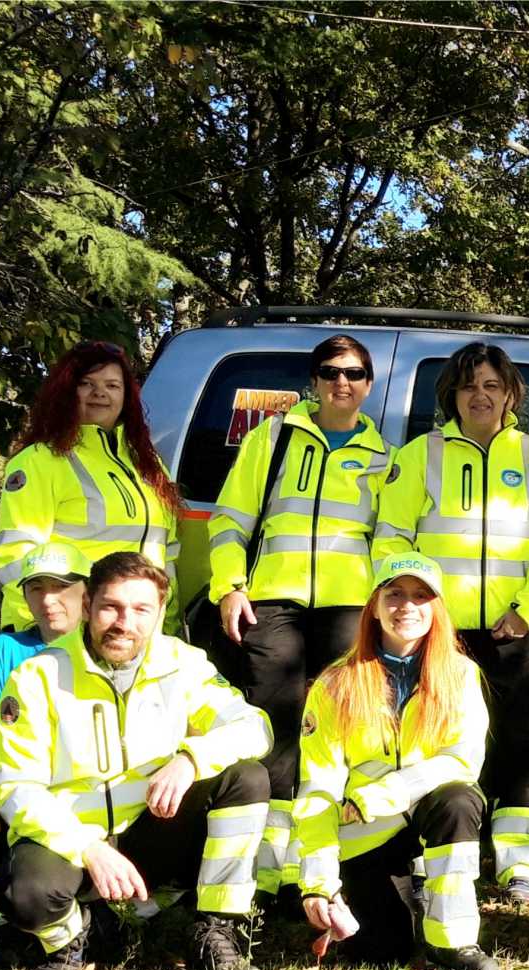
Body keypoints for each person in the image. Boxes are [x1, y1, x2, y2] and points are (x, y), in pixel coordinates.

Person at [0, 552, 272, 970]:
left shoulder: (183, 662)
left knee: (246, 778)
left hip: (150, 829)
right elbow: (14, 785)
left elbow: (255, 727)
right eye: (111, 607)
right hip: (73, 843)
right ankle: (73, 939)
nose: (125, 622)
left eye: (141, 610)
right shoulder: (36, 676)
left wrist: (191, 760)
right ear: (88, 607)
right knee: (26, 895)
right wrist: (87, 846)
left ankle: (216, 933)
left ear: (159, 613)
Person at [374, 343, 529, 904]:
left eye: (491, 385)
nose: (479, 396)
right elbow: (391, 538)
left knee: (522, 749)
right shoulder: (420, 455)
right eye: (468, 386)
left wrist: (527, 609)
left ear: (510, 394)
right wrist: (426, 611)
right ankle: (429, 860)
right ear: (451, 396)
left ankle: (521, 869)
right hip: (440, 637)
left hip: (516, 632)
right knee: (427, 745)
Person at [208, 334, 390, 902]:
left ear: (368, 383)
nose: (343, 382)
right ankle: (269, 864)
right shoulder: (274, 438)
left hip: (349, 606)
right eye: (332, 372)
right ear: (313, 381)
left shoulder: (386, 458)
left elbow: (389, 540)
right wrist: (230, 586)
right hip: (274, 599)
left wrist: (383, 608)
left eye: (355, 373)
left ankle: (325, 853)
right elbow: (231, 519)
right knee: (274, 721)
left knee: (338, 725)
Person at [294, 553, 500, 970]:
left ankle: (454, 941)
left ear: (437, 609)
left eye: (421, 596)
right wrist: (318, 882)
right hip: (364, 831)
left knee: (459, 800)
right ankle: (408, 895)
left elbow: (463, 759)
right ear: (373, 605)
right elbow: (318, 787)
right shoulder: (335, 682)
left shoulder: (461, 674)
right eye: (395, 594)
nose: (407, 606)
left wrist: (387, 793)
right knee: (380, 954)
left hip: (424, 810)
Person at [0, 541, 89, 962]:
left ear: (86, 591)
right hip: (20, 793)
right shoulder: (4, 651)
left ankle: (110, 916)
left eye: (61, 587)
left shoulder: (107, 646)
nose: (48, 600)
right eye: (35, 588)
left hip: (92, 798)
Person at [0, 341, 180, 632]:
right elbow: (15, 555)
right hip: (65, 632)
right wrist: (42, 625)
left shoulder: (148, 464)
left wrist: (166, 621)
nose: (100, 393)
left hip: (134, 631)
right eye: (86, 383)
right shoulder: (39, 460)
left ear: (126, 396)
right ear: (66, 392)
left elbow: (168, 552)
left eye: (112, 385)